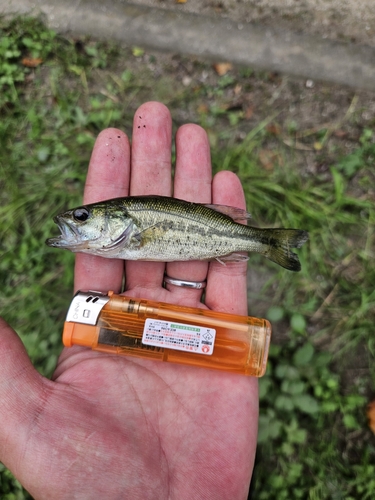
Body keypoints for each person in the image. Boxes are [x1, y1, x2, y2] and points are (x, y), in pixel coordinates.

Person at [0, 102, 258, 499]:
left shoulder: (135, 230)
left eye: (84, 217)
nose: (76, 221)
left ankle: (265, 241)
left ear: (120, 221)